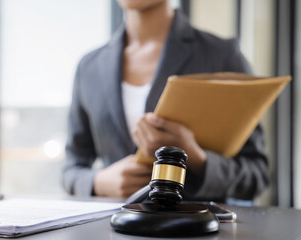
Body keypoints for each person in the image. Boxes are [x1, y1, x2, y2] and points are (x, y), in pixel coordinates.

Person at [62, 0, 269, 202]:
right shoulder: (88, 67)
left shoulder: (221, 56)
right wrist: (98, 181)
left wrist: (196, 158)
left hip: (196, 231)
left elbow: (257, 174)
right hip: (114, 230)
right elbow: (71, 168)